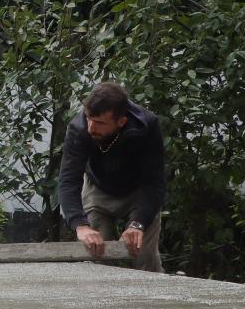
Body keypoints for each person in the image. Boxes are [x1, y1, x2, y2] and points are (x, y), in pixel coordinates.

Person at [58, 82, 166, 272]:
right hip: (97, 188)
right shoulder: (78, 128)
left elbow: (154, 182)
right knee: (97, 255)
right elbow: (68, 180)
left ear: (121, 122)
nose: (91, 127)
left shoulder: (147, 125)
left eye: (100, 123)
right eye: (89, 118)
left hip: (139, 191)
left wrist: (138, 223)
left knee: (145, 257)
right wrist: (80, 225)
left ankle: (151, 299)